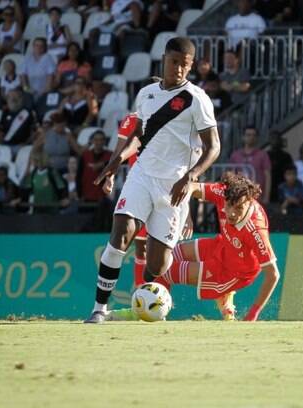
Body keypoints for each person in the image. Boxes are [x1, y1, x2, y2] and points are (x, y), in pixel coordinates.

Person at [84, 37, 220, 323]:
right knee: (120, 233)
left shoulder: (197, 99)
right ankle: (99, 309)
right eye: (174, 63)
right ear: (164, 59)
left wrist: (191, 177)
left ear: (191, 65)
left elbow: (214, 147)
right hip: (143, 175)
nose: (179, 70)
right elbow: (140, 136)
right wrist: (116, 160)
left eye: (185, 65)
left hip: (174, 188)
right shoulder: (146, 94)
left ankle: (148, 296)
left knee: (156, 266)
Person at [154, 173, 279, 321]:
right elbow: (190, 187)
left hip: (232, 272)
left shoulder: (255, 230)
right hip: (222, 246)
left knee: (165, 272)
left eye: (239, 208)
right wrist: (186, 215)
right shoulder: (223, 192)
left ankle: (152, 314)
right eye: (228, 205)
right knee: (161, 259)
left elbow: (273, 274)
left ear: (250, 201)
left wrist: (253, 313)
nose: (232, 213)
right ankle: (148, 308)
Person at [229, 126, 271, 204]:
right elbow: (231, 175)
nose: (251, 137)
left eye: (253, 135)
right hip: (239, 195)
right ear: (243, 137)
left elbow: (267, 176)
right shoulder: (235, 155)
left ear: (257, 138)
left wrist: (266, 197)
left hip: (257, 196)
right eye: (248, 135)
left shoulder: (262, 155)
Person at [78, 130, 112, 202]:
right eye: (96, 140)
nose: (99, 142)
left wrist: (103, 164)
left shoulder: (110, 156)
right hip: (86, 195)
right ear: (93, 141)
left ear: (104, 141)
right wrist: (79, 194)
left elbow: (121, 162)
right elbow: (79, 175)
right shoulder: (85, 155)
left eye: (101, 140)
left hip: (103, 197)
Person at [0, 90, 35, 154]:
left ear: (21, 98)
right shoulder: (5, 113)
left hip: (21, 146)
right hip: (5, 145)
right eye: (10, 97)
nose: (13, 99)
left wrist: (26, 144)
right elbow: (0, 132)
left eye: (16, 97)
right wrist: (1, 144)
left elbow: (34, 132)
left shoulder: (28, 113)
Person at [265, 130, 294, 203]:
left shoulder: (286, 156)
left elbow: (290, 171)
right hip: (269, 186)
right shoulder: (265, 155)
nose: (274, 140)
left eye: (276, 138)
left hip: (283, 185)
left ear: (280, 140)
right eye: (272, 138)